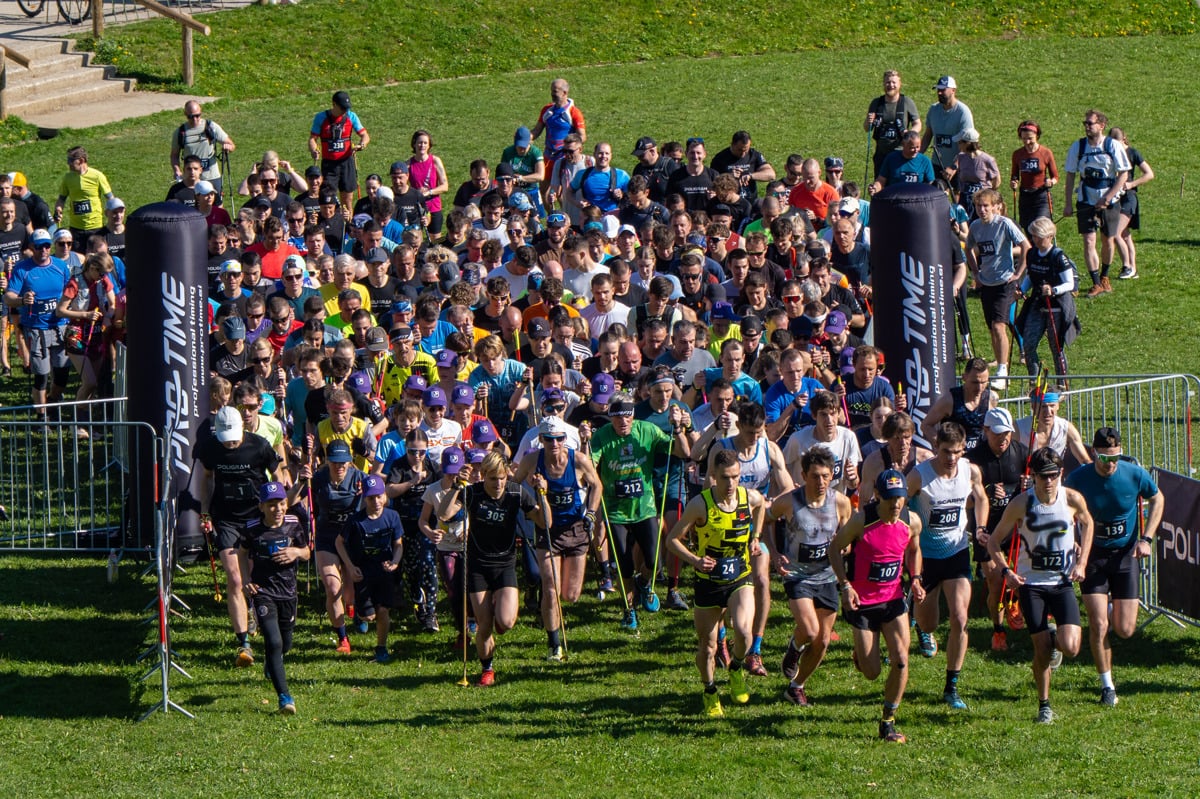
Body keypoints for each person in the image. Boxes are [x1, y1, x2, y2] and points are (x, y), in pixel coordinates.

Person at [989, 448, 1094, 724]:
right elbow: (993, 541)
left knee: (1071, 647)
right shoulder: (1022, 504)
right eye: (1043, 476)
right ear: (1033, 476)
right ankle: (1044, 705)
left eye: (1054, 475)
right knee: (1042, 650)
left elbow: (1088, 523)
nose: (1049, 481)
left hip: (1062, 582)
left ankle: (1055, 639)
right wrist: (1007, 572)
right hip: (1031, 583)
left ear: (1061, 473)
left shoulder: (1072, 499)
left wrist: (1082, 562)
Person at [1065, 427, 1163, 708]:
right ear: (1094, 453)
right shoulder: (1079, 478)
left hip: (1124, 556)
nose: (1111, 464)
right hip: (1093, 556)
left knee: (1125, 629)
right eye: (1106, 458)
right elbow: (1065, 509)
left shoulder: (1133, 474)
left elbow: (1158, 498)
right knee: (1098, 626)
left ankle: (1112, 609)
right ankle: (1107, 686)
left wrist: (1146, 539)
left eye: (1116, 457)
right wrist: (1073, 540)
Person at [666, 448, 767, 717]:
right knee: (708, 647)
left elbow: (762, 505)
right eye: (725, 478)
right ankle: (710, 690)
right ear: (713, 475)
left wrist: (756, 537)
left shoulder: (748, 497)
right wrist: (695, 560)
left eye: (735, 477)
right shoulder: (700, 504)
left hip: (739, 576)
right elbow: (672, 540)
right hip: (708, 582)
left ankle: (736, 668)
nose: (731, 483)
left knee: (744, 632)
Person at [436, 451, 551, 686]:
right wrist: (457, 486)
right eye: (492, 479)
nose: (498, 484)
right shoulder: (473, 492)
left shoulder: (516, 492)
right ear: (484, 476)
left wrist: (543, 495)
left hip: (504, 564)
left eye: (502, 478)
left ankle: (500, 612)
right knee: (484, 625)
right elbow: (444, 514)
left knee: (506, 622)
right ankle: (487, 669)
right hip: (478, 566)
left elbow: (545, 523)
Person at [829, 469, 925, 743]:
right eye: (890, 498)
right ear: (878, 496)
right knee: (872, 673)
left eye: (900, 498)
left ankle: (888, 721)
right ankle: (861, 656)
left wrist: (915, 579)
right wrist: (845, 586)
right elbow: (834, 549)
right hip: (862, 603)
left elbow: (914, 549)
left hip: (893, 599)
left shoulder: (911, 521)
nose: (896, 504)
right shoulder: (862, 520)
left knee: (901, 660)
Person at [907, 421, 989, 709]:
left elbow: (981, 498)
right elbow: (899, 506)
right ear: (935, 447)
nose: (951, 458)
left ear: (963, 449)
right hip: (926, 557)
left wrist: (981, 527)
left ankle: (951, 686)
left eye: (956, 452)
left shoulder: (970, 471)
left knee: (960, 618)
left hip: (956, 553)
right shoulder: (920, 476)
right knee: (929, 622)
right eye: (945, 452)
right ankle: (918, 619)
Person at [591, 393, 692, 628]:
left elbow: (682, 452)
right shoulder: (602, 436)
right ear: (610, 417)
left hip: (644, 508)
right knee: (624, 565)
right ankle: (629, 609)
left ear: (633, 415)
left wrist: (678, 428)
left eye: (627, 416)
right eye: (617, 417)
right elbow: (590, 464)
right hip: (616, 510)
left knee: (654, 562)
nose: (623, 422)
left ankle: (644, 583)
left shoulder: (647, 430)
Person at [707, 402, 791, 674]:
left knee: (763, 581)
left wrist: (771, 504)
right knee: (724, 586)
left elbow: (787, 488)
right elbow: (709, 486)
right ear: (739, 426)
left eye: (759, 431)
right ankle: (722, 639)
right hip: (727, 525)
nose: (755, 437)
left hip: (758, 525)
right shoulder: (723, 449)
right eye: (749, 432)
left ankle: (755, 649)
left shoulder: (769, 449)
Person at [196, 406, 282, 667]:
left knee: (252, 577)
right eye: (226, 439)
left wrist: (277, 507)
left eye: (234, 438)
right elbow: (207, 477)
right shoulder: (210, 448)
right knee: (235, 579)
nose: (230, 444)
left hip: (256, 517)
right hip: (226, 518)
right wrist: (204, 512)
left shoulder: (259, 446)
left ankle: (254, 611)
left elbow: (277, 473)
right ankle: (244, 644)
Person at [766, 449, 853, 705]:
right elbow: (765, 520)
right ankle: (795, 647)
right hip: (798, 575)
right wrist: (774, 553)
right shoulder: (789, 501)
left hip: (827, 576)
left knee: (822, 641)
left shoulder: (840, 503)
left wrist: (845, 547)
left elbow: (847, 537)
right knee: (810, 630)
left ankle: (796, 686)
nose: (821, 482)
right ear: (803, 476)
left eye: (825, 476)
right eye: (815, 476)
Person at [513, 417, 603, 661]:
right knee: (550, 586)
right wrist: (530, 501)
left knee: (570, 595)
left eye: (559, 439)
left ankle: (550, 612)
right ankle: (554, 644)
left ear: (565, 439)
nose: (555, 444)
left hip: (576, 529)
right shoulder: (532, 461)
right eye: (549, 439)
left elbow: (597, 486)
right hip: (547, 528)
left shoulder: (578, 460)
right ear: (541, 439)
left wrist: (591, 513)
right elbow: (514, 484)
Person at [241, 481, 309, 714]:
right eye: (271, 505)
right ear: (262, 507)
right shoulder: (252, 529)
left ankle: (271, 663)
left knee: (285, 644)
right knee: (274, 642)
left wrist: (295, 552)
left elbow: (307, 552)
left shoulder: (293, 524)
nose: (277, 509)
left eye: (281, 503)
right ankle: (285, 697)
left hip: (288, 592)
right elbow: (241, 553)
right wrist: (245, 579)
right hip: (263, 592)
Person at [967, 407, 1029, 651]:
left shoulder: (1020, 452)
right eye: (997, 433)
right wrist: (986, 492)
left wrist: (1029, 483)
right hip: (987, 529)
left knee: (1020, 575)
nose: (1003, 439)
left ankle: (1014, 603)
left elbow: (1037, 480)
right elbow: (966, 500)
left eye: (1007, 433)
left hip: (1013, 527)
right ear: (986, 431)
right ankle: (998, 629)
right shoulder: (974, 459)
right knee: (995, 581)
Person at [300, 439, 365, 652]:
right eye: (335, 462)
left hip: (351, 537)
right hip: (326, 536)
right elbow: (292, 499)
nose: (339, 466)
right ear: (327, 461)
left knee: (350, 589)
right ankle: (342, 637)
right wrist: (301, 480)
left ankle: (353, 607)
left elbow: (381, 493)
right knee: (332, 586)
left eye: (343, 462)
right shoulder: (318, 478)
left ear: (349, 461)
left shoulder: (359, 478)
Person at [337, 473, 404, 664]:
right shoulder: (355, 520)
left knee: (383, 611)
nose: (376, 502)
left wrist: (395, 562)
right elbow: (339, 542)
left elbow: (398, 544)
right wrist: (350, 567)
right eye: (371, 498)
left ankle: (381, 647)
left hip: (385, 571)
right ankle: (360, 615)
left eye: (379, 496)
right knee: (369, 616)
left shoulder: (392, 516)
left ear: (385, 496)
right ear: (364, 499)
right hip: (363, 573)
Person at [965, 189, 1029, 390]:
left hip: (1005, 282)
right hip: (987, 282)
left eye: (986, 206)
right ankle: (1001, 363)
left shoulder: (1004, 224)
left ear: (995, 206)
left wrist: (1018, 273)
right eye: (978, 206)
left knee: (1000, 325)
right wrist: (975, 273)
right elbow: (968, 248)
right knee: (992, 327)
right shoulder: (975, 226)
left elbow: (1026, 246)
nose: (982, 210)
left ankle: (1003, 371)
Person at [4, 228, 72, 411]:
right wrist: (22, 300)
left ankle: (51, 403)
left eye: (47, 246)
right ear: (32, 247)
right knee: (41, 375)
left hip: (60, 326)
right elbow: (8, 297)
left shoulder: (60, 266)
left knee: (62, 373)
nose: (43, 250)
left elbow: (71, 291)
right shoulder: (22, 269)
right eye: (39, 246)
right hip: (36, 328)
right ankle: (42, 417)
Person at [1063, 109, 1129, 298]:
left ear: (1101, 125)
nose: (1087, 127)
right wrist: (1068, 203)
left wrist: (1108, 197)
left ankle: (1105, 276)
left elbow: (1123, 174)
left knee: (1108, 239)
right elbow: (1070, 175)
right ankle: (1096, 282)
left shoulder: (1112, 145)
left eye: (1090, 123)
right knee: (1088, 240)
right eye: (1085, 123)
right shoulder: (1078, 147)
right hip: (1086, 199)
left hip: (1110, 200)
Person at [1016, 217, 1080, 377]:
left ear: (1050, 236)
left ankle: (1061, 383)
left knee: (1056, 347)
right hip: (1038, 304)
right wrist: (1022, 290)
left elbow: (1070, 283)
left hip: (1057, 306)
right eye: (1033, 235)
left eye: (1039, 236)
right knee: (1028, 345)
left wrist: (1053, 290)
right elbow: (1030, 276)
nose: (1035, 239)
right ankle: (1034, 381)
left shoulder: (1058, 256)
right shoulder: (1031, 253)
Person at [919, 357, 997, 454]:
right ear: (964, 377)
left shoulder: (990, 399)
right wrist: (943, 447)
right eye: (975, 382)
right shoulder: (950, 400)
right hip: (956, 457)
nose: (979, 387)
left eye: (983, 382)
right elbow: (926, 425)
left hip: (980, 456)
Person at [309, 90, 370, 211]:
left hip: (346, 162)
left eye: (346, 108)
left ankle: (348, 221)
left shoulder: (351, 116)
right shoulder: (321, 118)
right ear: (334, 104)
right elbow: (312, 138)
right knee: (328, 197)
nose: (345, 111)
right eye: (342, 108)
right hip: (329, 164)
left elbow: (365, 135)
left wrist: (361, 145)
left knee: (348, 198)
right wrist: (313, 150)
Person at [1108, 127, 1153, 281]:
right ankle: (1133, 269)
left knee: (1116, 233)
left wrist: (1131, 184)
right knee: (1126, 235)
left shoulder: (1133, 153)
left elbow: (1149, 174)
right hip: (1116, 198)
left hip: (1128, 198)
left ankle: (1127, 266)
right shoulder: (1110, 153)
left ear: (1124, 139)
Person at [865, 70, 922, 175]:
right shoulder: (876, 103)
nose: (891, 85)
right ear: (883, 84)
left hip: (901, 153)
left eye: (894, 82)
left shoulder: (907, 102)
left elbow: (918, 123)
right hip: (881, 154)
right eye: (888, 82)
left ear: (900, 84)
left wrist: (910, 134)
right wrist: (869, 121)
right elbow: (867, 128)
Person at [920, 76, 974, 182]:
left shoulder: (963, 112)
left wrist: (954, 167)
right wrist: (917, 155)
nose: (939, 93)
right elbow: (928, 135)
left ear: (953, 90)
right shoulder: (934, 109)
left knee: (956, 192)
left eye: (943, 90)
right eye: (938, 90)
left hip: (958, 167)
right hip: (937, 164)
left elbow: (968, 144)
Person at [55, 147, 114, 242]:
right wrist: (58, 209)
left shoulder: (97, 176)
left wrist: (112, 216)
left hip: (95, 227)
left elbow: (111, 199)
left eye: (71, 160)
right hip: (76, 228)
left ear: (81, 160)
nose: (68, 163)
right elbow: (61, 198)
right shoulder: (68, 178)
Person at [1009, 119, 1058, 232]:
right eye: (1023, 138)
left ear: (1037, 136)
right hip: (1025, 196)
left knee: (1041, 228)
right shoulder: (1017, 154)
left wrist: (1051, 182)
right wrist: (1013, 183)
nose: (1027, 142)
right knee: (1028, 229)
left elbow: (1055, 176)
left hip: (1041, 195)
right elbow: (1014, 175)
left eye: (1030, 138)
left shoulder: (1046, 153)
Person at [531, 78, 586, 170]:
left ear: (564, 93)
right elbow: (536, 131)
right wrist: (525, 138)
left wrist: (570, 147)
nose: (552, 94)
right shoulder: (547, 110)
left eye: (555, 91)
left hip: (565, 158)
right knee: (545, 179)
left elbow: (582, 137)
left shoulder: (574, 112)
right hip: (548, 156)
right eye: (551, 91)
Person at [710, 130, 776, 204]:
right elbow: (713, 183)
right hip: (729, 203)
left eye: (746, 150)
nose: (743, 154)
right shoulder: (720, 158)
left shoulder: (754, 155)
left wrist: (751, 176)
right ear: (732, 144)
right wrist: (729, 177)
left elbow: (771, 175)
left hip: (750, 201)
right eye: (740, 150)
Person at [947, 128, 1000, 219]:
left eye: (960, 142)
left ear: (968, 143)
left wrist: (990, 193)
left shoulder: (987, 160)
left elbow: (997, 179)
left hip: (981, 201)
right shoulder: (960, 157)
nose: (958, 145)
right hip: (965, 199)